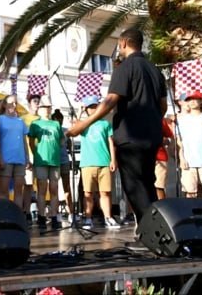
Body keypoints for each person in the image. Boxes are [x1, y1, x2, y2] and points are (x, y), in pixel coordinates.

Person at [67, 29, 167, 231]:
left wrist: (84, 124)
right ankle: (157, 232)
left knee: (134, 186)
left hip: (131, 136)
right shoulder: (155, 70)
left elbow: (111, 100)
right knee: (148, 183)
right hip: (152, 135)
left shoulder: (125, 68)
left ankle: (151, 233)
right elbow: (163, 106)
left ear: (123, 43)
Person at [69, 95, 119, 230]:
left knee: (105, 192)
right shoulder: (83, 124)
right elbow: (73, 128)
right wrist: (79, 110)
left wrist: (113, 160)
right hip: (87, 163)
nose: (93, 109)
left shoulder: (105, 124)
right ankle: (88, 217)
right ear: (86, 109)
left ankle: (108, 217)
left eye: (95, 106)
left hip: (104, 162)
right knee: (88, 193)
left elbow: (111, 142)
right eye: (90, 107)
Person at [28, 95, 64, 230]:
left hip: (55, 160)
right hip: (41, 160)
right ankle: (41, 216)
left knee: (54, 189)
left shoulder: (56, 124)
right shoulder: (35, 124)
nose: (47, 110)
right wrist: (35, 153)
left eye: (49, 107)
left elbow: (61, 140)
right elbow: (31, 140)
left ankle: (54, 216)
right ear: (40, 109)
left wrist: (56, 148)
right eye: (44, 107)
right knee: (42, 189)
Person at [0, 95, 29, 208]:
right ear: (4, 104)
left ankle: (17, 215)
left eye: (16, 103)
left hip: (19, 159)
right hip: (6, 159)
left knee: (19, 190)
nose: (14, 106)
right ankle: (3, 216)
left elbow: (24, 141)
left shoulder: (20, 121)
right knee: (3, 190)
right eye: (11, 103)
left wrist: (27, 157)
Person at [51, 109, 75, 223]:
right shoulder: (51, 130)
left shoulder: (66, 131)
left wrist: (73, 160)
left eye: (61, 120)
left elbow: (70, 148)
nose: (59, 122)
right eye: (57, 119)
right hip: (54, 162)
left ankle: (71, 213)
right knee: (54, 188)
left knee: (67, 188)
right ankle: (55, 214)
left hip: (65, 161)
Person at [21, 94, 41, 225]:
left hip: (43, 156)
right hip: (29, 155)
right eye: (34, 101)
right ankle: (26, 212)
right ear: (29, 104)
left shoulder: (43, 118)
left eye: (39, 101)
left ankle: (42, 213)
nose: (37, 104)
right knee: (28, 185)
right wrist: (26, 157)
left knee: (42, 185)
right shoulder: (23, 119)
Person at [154, 118, 174, 200]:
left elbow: (169, 137)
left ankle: (161, 211)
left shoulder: (159, 120)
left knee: (159, 186)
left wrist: (164, 140)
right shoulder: (136, 118)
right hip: (141, 158)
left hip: (160, 157)